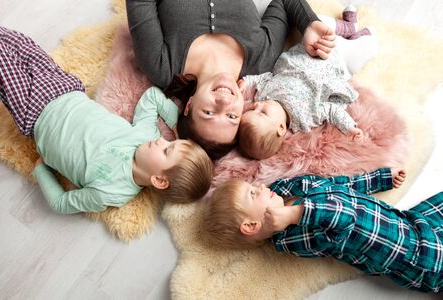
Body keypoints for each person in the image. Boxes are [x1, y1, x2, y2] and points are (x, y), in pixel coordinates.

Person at [0, 23, 213, 213]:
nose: (161, 140)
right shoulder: (145, 135)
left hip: (35, 113)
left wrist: (41, 171)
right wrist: (176, 125)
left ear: (159, 180)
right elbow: (153, 97)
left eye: (166, 150)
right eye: (170, 142)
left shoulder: (111, 192)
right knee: (17, 43)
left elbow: (61, 203)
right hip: (64, 88)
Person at [126, 0, 337, 159]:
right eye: (232, 116)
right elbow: (282, 2)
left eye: (208, 112)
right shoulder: (261, 60)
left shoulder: (161, 66)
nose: (224, 103)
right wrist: (309, 24)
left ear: (189, 105)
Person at [204, 168, 443, 292]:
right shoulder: (293, 240)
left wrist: (378, 179)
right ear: (251, 225)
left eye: (253, 185)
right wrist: (293, 215)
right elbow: (344, 217)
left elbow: (342, 187)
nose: (259, 186)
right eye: (252, 193)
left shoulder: (287, 188)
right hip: (419, 260)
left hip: (409, 223)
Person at [238, 8, 378, 159]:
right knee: (367, 48)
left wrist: (246, 82)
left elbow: (262, 77)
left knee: (318, 22)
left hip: (311, 49)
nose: (258, 105)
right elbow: (330, 110)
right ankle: (357, 37)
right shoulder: (304, 118)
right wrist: (349, 128)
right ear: (281, 127)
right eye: (262, 113)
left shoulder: (263, 95)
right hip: (336, 64)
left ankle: (347, 28)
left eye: (252, 108)